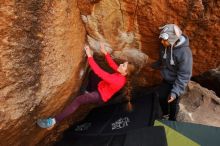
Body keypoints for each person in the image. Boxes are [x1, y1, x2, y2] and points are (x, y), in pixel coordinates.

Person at [37, 43, 135, 129]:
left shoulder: (118, 80)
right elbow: (112, 65)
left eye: (123, 66)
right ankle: (88, 92)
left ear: (125, 72)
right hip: (101, 87)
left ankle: (53, 121)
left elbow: (100, 72)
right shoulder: (121, 73)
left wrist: (89, 56)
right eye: (123, 64)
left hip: (99, 95)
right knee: (92, 74)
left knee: (78, 100)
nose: (121, 65)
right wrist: (105, 52)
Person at [151, 24, 193, 121]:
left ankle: (172, 118)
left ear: (173, 40)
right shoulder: (164, 46)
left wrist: (175, 92)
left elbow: (184, 75)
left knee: (173, 101)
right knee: (161, 96)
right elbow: (162, 61)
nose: (161, 42)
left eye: (164, 40)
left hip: (177, 81)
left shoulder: (184, 53)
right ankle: (165, 114)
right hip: (167, 79)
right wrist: (151, 65)